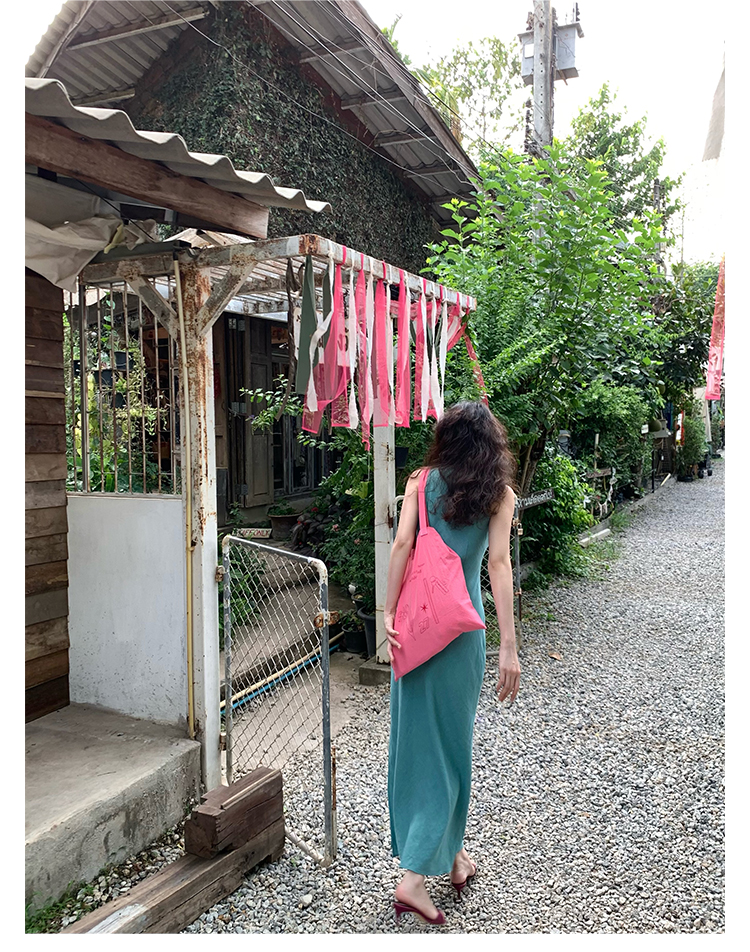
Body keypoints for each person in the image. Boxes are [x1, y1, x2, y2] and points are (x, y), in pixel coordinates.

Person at [384, 400, 521, 926]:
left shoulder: (420, 482)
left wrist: (387, 613)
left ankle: (454, 856)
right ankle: (414, 879)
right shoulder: (499, 494)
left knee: (417, 744)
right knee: (451, 750)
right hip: (461, 635)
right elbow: (499, 566)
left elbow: (401, 545)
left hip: (414, 630)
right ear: (491, 445)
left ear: (446, 439)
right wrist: (508, 645)